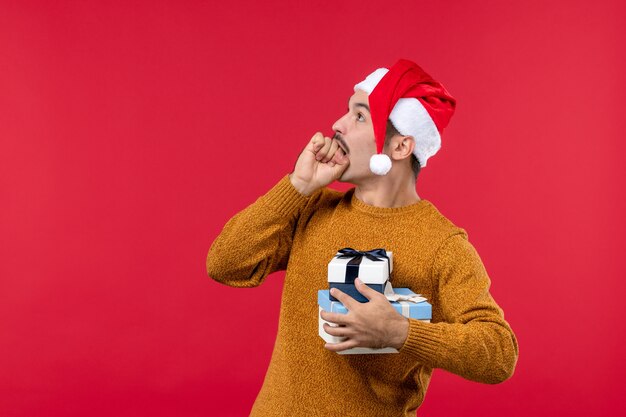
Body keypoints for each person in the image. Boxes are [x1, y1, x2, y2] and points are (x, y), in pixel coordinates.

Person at [206, 58, 519, 416]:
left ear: (400, 147)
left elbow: (499, 353)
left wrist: (401, 332)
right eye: (346, 112)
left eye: (359, 116)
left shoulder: (441, 245)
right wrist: (298, 185)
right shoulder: (313, 206)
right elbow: (225, 264)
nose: (337, 125)